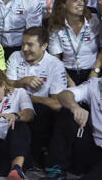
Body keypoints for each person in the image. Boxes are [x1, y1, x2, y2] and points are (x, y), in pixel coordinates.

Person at [7, 27, 67, 163]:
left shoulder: (55, 65)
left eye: (30, 45)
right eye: (23, 44)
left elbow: (57, 104)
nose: (25, 48)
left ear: (44, 46)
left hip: (41, 113)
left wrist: (28, 98)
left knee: (43, 111)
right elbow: (6, 87)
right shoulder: (15, 57)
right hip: (14, 106)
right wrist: (22, 82)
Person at [48, 0, 102, 84]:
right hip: (66, 73)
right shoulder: (56, 27)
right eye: (75, 0)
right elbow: (55, 60)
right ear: (63, 4)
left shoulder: (94, 21)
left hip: (92, 71)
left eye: (82, 0)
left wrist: (95, 72)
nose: (81, 3)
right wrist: (69, 81)